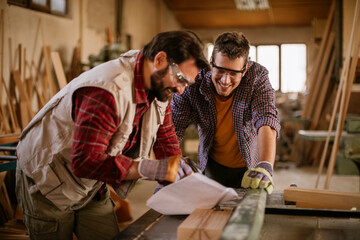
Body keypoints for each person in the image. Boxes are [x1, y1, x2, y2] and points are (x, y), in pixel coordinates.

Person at [15, 30, 209, 240]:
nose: (181, 90)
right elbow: (85, 161)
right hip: (48, 177)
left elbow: (166, 135)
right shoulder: (107, 90)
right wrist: (148, 168)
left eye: (186, 83)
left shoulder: (159, 84)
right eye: (180, 78)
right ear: (160, 59)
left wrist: (178, 168)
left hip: (90, 183)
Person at [171, 32, 280, 194]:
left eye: (233, 73)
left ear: (245, 70)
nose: (225, 80)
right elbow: (174, 126)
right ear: (210, 64)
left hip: (250, 168)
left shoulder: (257, 77)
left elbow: (266, 118)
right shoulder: (193, 82)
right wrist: (173, 160)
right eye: (220, 70)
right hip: (212, 165)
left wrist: (265, 164)